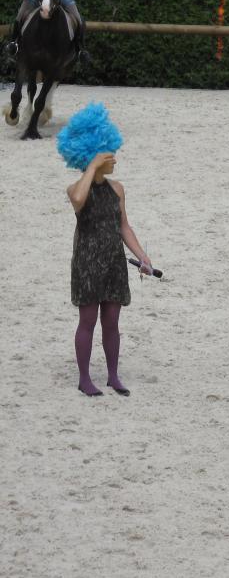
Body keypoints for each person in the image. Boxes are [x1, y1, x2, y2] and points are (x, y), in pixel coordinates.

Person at [57, 103, 153, 397]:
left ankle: (113, 375)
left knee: (112, 322)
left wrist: (143, 256)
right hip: (86, 262)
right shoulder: (76, 187)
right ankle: (85, 378)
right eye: (109, 155)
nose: (115, 159)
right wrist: (92, 167)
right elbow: (78, 200)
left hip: (113, 261)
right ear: (94, 154)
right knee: (87, 321)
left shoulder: (118, 188)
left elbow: (124, 226)